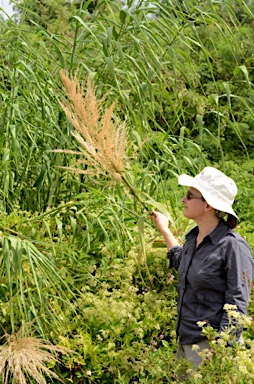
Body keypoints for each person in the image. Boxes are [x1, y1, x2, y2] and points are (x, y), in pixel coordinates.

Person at [151, 166, 253, 368]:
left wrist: (220, 353)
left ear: (208, 205)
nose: (183, 200)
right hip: (185, 341)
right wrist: (164, 229)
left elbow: (237, 304)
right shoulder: (193, 238)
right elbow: (180, 261)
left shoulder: (233, 246)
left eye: (189, 196)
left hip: (209, 349)